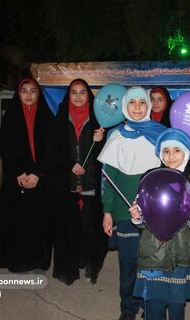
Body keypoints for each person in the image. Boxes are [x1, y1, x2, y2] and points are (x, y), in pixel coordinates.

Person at [129, 128, 190, 320]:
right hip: (154, 256)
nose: (171, 156)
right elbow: (143, 221)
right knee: (154, 308)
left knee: (177, 308)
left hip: (181, 256)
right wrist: (136, 216)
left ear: (185, 153)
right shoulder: (150, 178)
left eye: (177, 150)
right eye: (166, 151)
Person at [98, 86, 166, 320]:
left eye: (142, 103)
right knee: (128, 266)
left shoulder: (160, 134)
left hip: (154, 214)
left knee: (150, 265)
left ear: (148, 106)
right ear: (125, 106)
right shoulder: (116, 136)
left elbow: (169, 173)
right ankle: (128, 308)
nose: (137, 108)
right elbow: (108, 178)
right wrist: (107, 211)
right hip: (124, 213)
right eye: (132, 103)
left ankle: (150, 307)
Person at [47, 79, 107, 285]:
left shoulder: (98, 120)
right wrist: (69, 164)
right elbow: (53, 150)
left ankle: (89, 263)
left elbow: (105, 156)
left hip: (90, 182)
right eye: (74, 92)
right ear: (68, 95)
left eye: (82, 92)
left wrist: (100, 141)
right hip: (67, 184)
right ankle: (68, 268)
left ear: (89, 96)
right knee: (68, 228)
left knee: (90, 227)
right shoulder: (61, 119)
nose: (79, 96)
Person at [0, 78, 54, 273]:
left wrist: (37, 173)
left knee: (39, 221)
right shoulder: (11, 117)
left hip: (40, 180)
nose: (28, 95)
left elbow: (51, 150)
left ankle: (38, 261)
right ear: (18, 94)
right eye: (24, 91)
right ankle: (19, 262)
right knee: (17, 221)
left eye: (33, 91)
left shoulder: (47, 117)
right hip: (15, 179)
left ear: (38, 93)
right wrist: (19, 172)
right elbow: (6, 148)